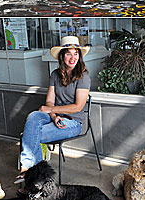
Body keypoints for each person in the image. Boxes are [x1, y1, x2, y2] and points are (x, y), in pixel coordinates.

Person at [17, 35, 91, 181]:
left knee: (30, 135)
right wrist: (53, 116)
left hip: (73, 122)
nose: (72, 57)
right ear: (62, 56)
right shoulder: (55, 74)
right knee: (34, 116)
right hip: (55, 116)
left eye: (76, 53)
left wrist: (51, 111)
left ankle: (31, 174)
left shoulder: (84, 76)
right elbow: (49, 102)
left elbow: (78, 107)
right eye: (68, 53)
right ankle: (34, 175)